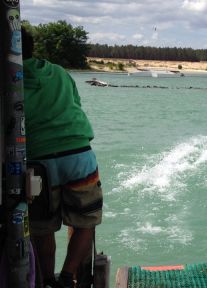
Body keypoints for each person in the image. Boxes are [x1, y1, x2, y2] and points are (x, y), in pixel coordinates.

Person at [22, 28, 103, 288]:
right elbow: (75, 104)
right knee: (85, 220)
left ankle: (47, 280)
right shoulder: (58, 72)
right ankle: (68, 278)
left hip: (37, 162)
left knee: (41, 226)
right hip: (79, 153)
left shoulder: (8, 77)